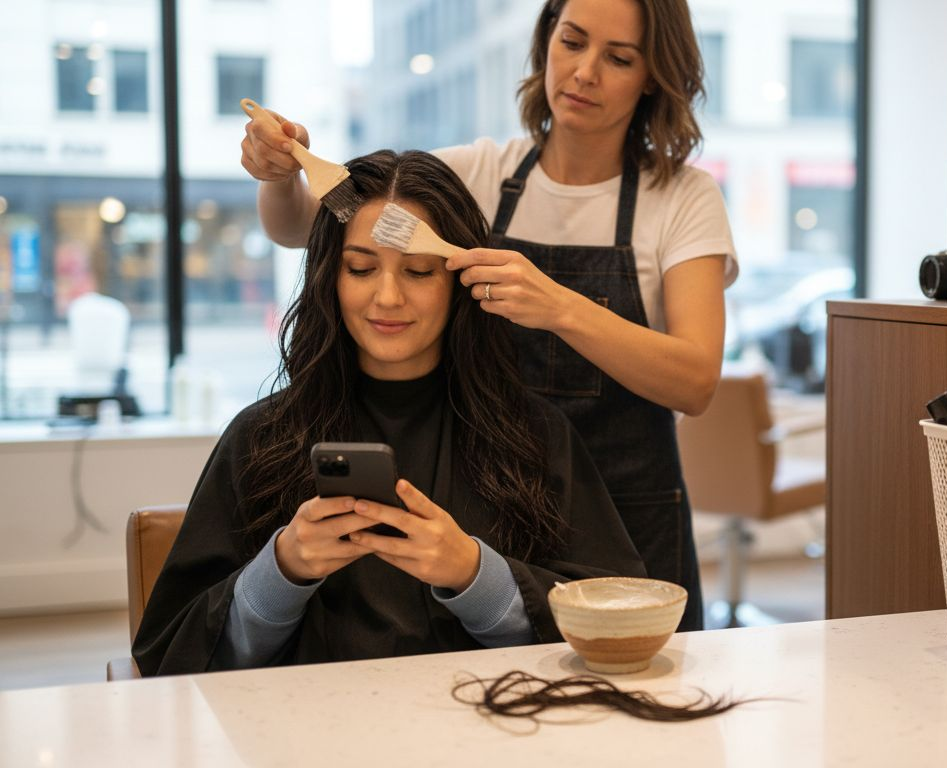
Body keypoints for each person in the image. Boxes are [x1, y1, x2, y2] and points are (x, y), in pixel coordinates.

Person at [242, 0, 736, 631]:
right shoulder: (480, 173)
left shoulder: (683, 198)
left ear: (654, 76)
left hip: (629, 505)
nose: (584, 72)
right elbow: (308, 227)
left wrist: (559, 306)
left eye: (618, 58)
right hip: (501, 501)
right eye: (572, 42)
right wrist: (282, 176)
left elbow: (694, 380)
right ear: (545, 41)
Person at [133, 150, 645, 676]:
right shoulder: (261, 437)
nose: (387, 296)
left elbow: (613, 626)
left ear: (458, 282)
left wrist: (474, 575)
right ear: (330, 277)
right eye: (360, 267)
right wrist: (283, 568)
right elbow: (174, 657)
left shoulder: (533, 435)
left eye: (419, 271)